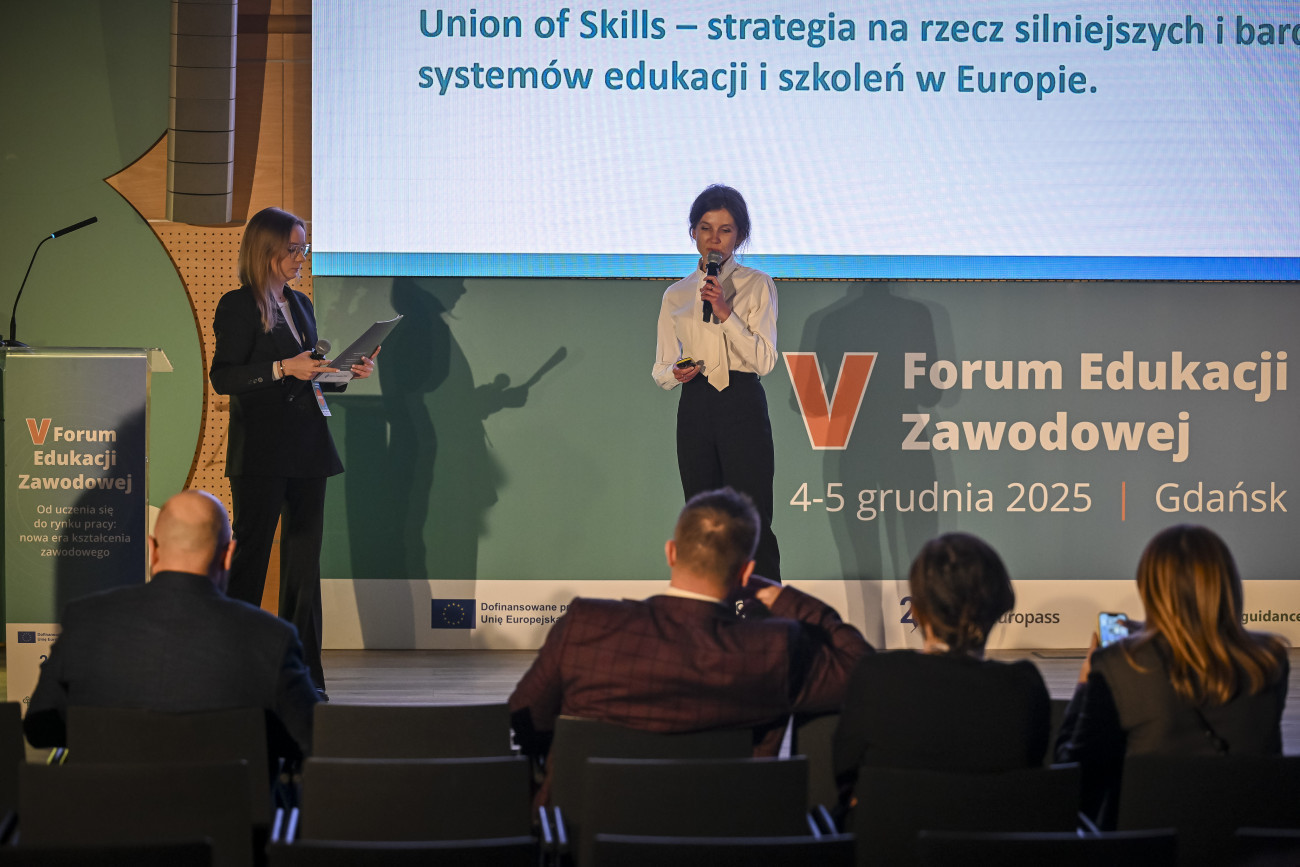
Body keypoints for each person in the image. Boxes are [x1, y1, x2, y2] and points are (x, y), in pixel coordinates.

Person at [508, 487, 871, 764]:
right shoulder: (773, 649)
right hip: (731, 828)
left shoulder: (585, 625)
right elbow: (864, 672)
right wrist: (783, 599)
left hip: (590, 827)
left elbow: (524, 719)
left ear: (671, 552)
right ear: (746, 572)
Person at [209, 206, 377, 699]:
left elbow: (311, 375)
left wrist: (345, 372)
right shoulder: (238, 305)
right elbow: (224, 377)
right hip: (261, 451)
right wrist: (283, 367)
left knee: (304, 570)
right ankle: (236, 676)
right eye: (294, 248)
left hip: (308, 447)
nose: (302, 257)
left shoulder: (301, 303)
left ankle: (304, 679)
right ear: (267, 250)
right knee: (251, 560)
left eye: (304, 248)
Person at [24, 490, 319, 759]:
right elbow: (311, 738)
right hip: (228, 802)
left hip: (102, 800)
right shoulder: (273, 637)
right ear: (228, 555)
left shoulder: (83, 620)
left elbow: (39, 729)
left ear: (152, 549)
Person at [1055, 524, 1289, 825]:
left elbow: (1074, 784)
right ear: (1228, 584)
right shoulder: (1269, 659)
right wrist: (1150, 637)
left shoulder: (1120, 665)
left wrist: (1085, 684)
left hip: (1144, 845)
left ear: (1150, 588)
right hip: (1247, 843)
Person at [832, 533, 1050, 810]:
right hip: (995, 838)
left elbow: (844, 775)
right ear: (1001, 605)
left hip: (886, 837)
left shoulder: (876, 677)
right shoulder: (1025, 687)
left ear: (915, 610)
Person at [653, 185, 781, 581]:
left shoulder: (757, 284)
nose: (714, 239)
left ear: (739, 236)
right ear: (693, 232)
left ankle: (760, 607)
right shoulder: (676, 295)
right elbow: (661, 368)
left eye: (725, 230)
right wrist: (675, 373)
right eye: (706, 228)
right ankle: (708, 605)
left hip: (742, 401)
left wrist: (726, 313)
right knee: (703, 517)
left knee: (752, 516)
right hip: (696, 404)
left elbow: (764, 360)